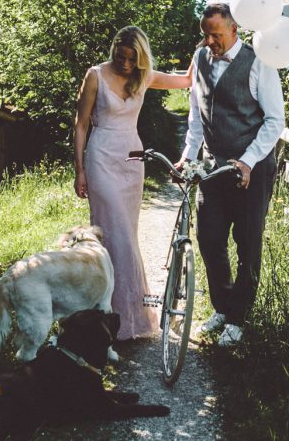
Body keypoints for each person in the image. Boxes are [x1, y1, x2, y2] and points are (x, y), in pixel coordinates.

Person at [73, 26, 192, 341]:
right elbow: (81, 124)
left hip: (131, 160)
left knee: (127, 235)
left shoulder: (145, 76)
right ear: (113, 51)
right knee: (114, 234)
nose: (125, 63)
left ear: (140, 57)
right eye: (120, 56)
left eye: (131, 58)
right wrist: (79, 170)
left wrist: (202, 50)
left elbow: (186, 80)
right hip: (100, 158)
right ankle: (109, 319)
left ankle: (127, 318)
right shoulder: (95, 76)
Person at [176, 3, 285, 347]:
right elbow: (197, 115)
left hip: (251, 169)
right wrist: (187, 157)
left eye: (216, 35)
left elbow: (274, 121)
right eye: (205, 35)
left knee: (248, 244)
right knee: (209, 239)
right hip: (212, 167)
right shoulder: (202, 59)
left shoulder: (260, 62)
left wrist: (249, 160)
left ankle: (239, 318)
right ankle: (222, 308)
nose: (210, 41)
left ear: (234, 29)